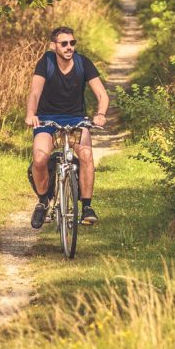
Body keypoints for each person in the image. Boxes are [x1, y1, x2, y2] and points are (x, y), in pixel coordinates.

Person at [25, 26, 109, 228]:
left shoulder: (83, 63)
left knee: (87, 155)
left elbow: (102, 95)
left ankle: (87, 206)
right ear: (54, 46)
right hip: (47, 119)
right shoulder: (47, 62)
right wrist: (31, 114)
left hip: (76, 120)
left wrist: (100, 114)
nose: (69, 47)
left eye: (72, 43)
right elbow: (35, 92)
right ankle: (43, 202)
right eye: (64, 43)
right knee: (39, 158)